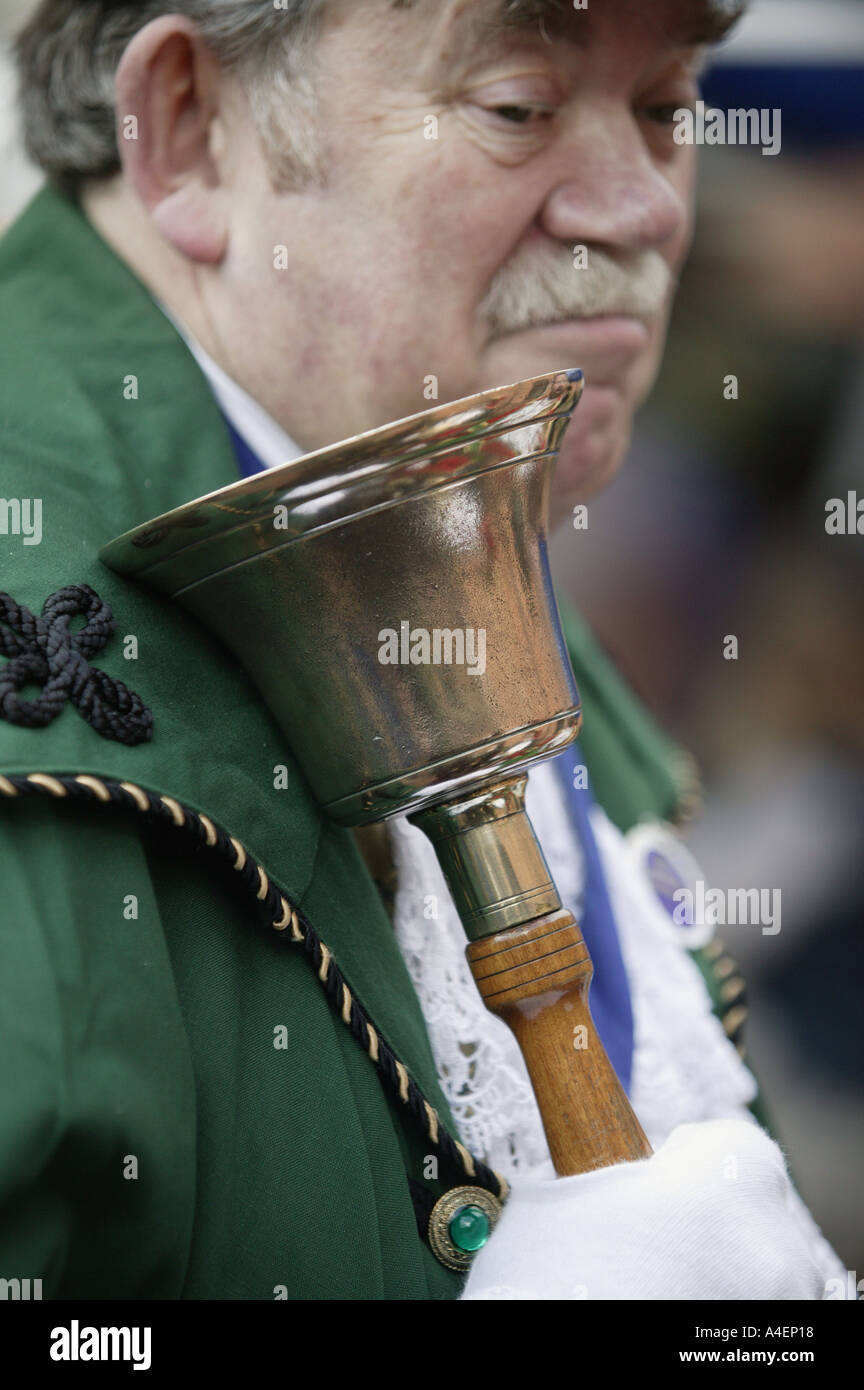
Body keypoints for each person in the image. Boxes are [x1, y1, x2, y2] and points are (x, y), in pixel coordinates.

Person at [0, 0, 844, 1300]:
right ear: (189, 130)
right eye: (519, 105)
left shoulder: (415, 459)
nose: (646, 210)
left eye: (667, 106)